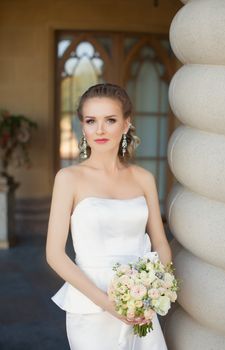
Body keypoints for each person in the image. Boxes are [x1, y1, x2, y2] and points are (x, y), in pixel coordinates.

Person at [46, 83, 172, 350]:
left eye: (110, 120)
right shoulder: (68, 179)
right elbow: (54, 254)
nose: (100, 130)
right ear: (83, 127)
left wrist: (153, 290)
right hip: (91, 306)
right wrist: (107, 303)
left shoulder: (144, 179)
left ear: (126, 124)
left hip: (140, 304)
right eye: (91, 121)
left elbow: (160, 243)